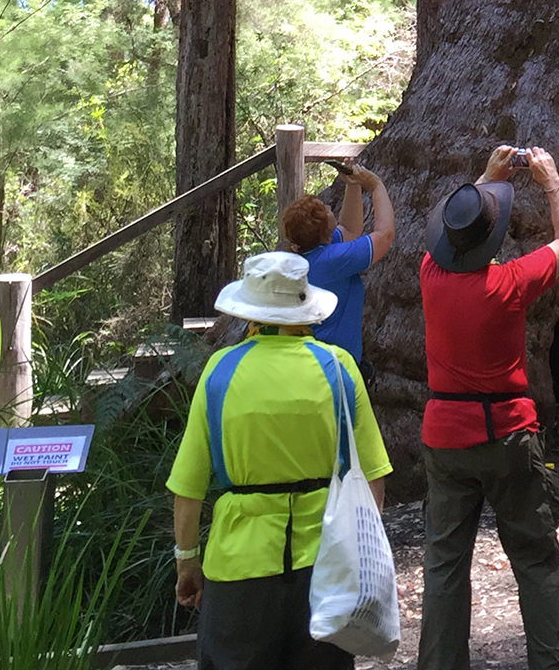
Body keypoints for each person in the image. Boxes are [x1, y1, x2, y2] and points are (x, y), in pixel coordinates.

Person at [168, 250, 394, 670]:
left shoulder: (221, 370)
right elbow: (373, 476)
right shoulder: (338, 366)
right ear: (305, 310)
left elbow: (188, 487)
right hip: (324, 565)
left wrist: (188, 562)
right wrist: (362, 562)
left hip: (238, 567)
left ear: (249, 314)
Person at [418, 145, 559, 670]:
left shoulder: (430, 276)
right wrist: (551, 181)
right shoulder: (508, 285)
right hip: (508, 436)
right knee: (534, 560)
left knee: (444, 566)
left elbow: (453, 226)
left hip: (445, 438)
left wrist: (484, 179)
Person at [281, 162, 395, 373]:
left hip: (315, 363)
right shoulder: (332, 260)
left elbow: (350, 229)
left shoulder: (309, 255)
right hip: (333, 369)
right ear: (323, 229)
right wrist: (377, 186)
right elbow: (385, 235)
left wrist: (353, 185)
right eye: (325, 209)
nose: (329, 208)